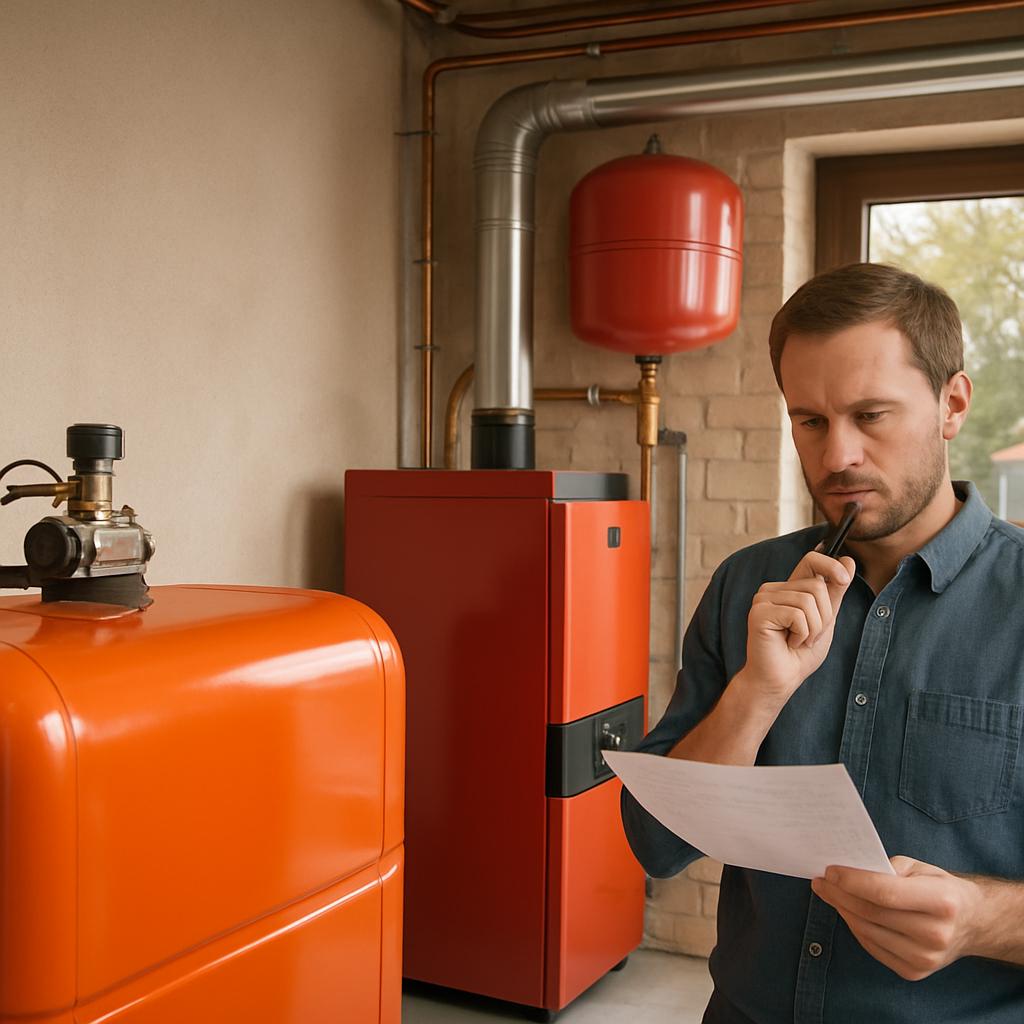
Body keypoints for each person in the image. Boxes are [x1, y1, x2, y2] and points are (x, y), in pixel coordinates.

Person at [621, 262, 1024, 1024]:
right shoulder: (747, 584)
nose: (837, 456)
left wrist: (981, 918)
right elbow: (657, 845)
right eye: (810, 420)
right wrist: (757, 691)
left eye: (871, 415)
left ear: (953, 404)